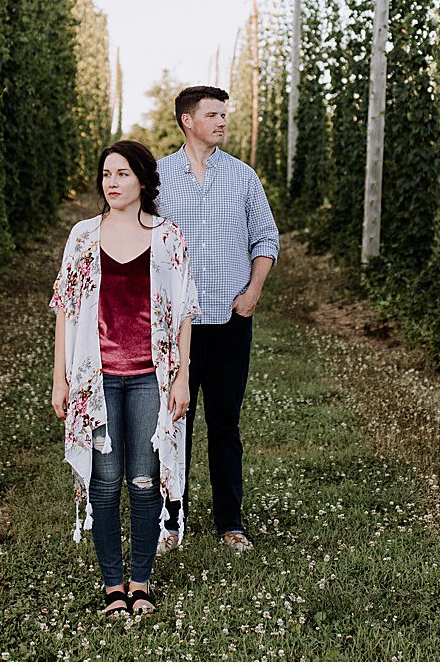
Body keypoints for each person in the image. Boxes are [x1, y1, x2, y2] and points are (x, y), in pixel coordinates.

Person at [51, 139, 199, 618]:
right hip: (96, 380)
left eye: (122, 174)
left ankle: (141, 582)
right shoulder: (83, 236)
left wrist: (181, 378)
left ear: (143, 180)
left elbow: (183, 313)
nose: (111, 183)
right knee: (105, 480)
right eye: (106, 174)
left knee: (142, 478)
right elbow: (65, 311)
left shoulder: (167, 237)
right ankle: (112, 585)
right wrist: (61, 380)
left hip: (148, 379)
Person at [156, 85, 279, 554]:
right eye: (213, 114)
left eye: (224, 114)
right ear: (188, 121)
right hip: (177, 327)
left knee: (225, 423)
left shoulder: (243, 177)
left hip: (230, 320)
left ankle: (230, 522)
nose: (222, 122)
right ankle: (171, 522)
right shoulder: (161, 178)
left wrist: (252, 294)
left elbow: (266, 239)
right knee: (175, 424)